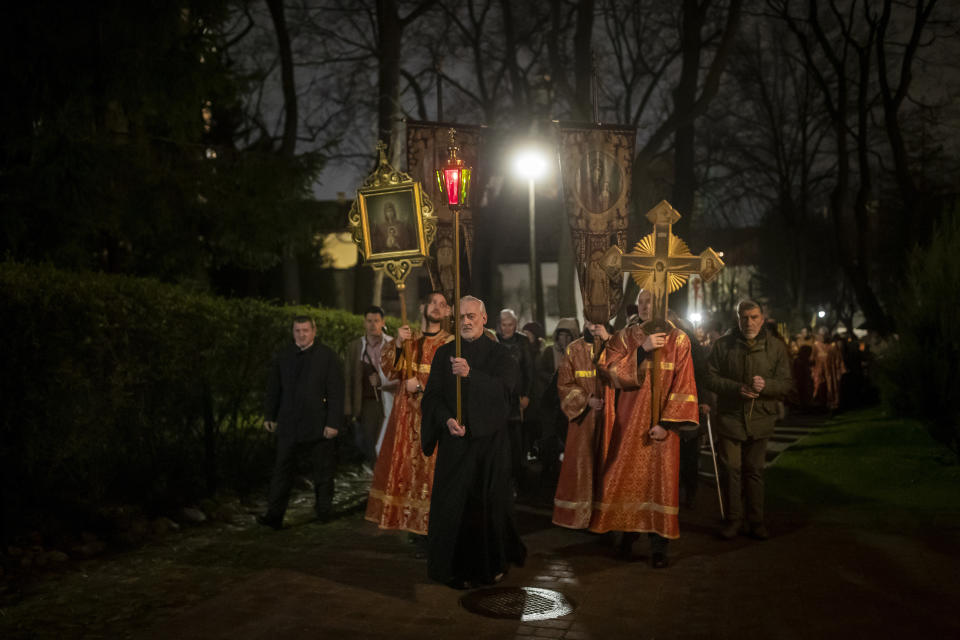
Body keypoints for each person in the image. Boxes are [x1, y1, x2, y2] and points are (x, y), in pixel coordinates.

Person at [421, 296, 527, 589]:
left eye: (471, 316)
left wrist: (471, 375)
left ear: (483, 319)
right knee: (453, 507)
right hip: (455, 445)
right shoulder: (444, 354)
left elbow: (505, 393)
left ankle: (490, 566)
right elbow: (433, 398)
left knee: (487, 507)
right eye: (461, 317)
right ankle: (452, 568)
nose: (465, 322)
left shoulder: (500, 355)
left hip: (489, 447)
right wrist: (446, 421)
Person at [590, 289, 699, 568]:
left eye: (652, 300)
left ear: (664, 303)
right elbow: (608, 370)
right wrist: (642, 351)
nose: (646, 305)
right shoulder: (627, 336)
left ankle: (658, 547)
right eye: (642, 301)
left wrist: (667, 424)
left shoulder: (679, 339)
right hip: (629, 424)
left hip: (661, 429)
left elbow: (684, 385)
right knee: (626, 478)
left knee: (659, 483)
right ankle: (627, 537)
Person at [365, 292, 453, 538]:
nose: (436, 308)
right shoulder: (409, 338)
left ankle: (434, 527)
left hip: (433, 417)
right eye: (432, 302)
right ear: (424, 307)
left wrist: (423, 386)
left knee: (433, 472)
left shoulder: (450, 343)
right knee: (406, 471)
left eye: (442, 305)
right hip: (406, 418)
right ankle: (411, 526)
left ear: (447, 312)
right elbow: (393, 372)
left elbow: (451, 380)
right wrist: (400, 345)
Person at [705, 300, 793, 540]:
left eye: (754, 317)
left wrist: (767, 386)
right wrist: (736, 388)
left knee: (754, 470)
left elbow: (786, 383)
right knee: (731, 469)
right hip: (731, 417)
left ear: (762, 319)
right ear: (738, 319)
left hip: (760, 418)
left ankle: (756, 521)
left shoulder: (775, 347)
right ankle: (734, 520)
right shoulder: (723, 346)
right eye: (744, 317)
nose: (749, 322)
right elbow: (709, 377)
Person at [258, 316, 344, 529]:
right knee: (281, 471)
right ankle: (274, 516)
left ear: (314, 331)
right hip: (289, 423)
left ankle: (324, 511)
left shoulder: (327, 356)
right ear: (293, 332)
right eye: (298, 330)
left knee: (323, 471)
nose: (302, 334)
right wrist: (270, 415)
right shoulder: (284, 356)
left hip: (318, 423)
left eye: (305, 330)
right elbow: (274, 388)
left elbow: (335, 392)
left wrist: (333, 422)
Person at [552, 320, 613, 529]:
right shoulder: (573, 349)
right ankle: (580, 516)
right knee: (582, 465)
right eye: (589, 321)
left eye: (597, 321)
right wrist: (587, 400)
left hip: (611, 418)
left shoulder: (613, 345)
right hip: (583, 419)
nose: (592, 325)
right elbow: (564, 384)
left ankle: (606, 517)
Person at [343, 306, 396, 469]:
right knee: (369, 443)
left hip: (391, 400)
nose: (373, 325)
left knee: (389, 441)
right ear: (364, 323)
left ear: (383, 322)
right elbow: (348, 378)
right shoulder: (355, 347)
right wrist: (348, 409)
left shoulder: (393, 344)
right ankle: (376, 478)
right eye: (369, 321)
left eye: (376, 321)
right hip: (367, 404)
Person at [497, 309, 534, 488]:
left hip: (516, 398)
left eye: (510, 325)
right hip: (497, 399)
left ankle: (517, 478)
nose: (507, 328)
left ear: (515, 325)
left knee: (516, 441)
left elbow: (529, 370)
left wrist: (526, 394)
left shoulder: (523, 342)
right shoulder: (493, 340)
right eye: (504, 325)